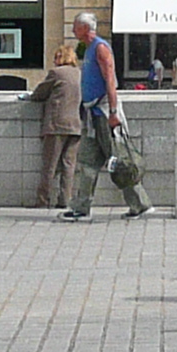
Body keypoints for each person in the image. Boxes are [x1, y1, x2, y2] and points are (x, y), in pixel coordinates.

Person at [63, 13, 150, 220]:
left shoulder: (100, 48)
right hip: (93, 115)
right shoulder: (89, 49)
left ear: (85, 28)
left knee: (119, 160)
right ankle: (81, 207)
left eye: (76, 26)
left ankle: (140, 204)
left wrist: (113, 112)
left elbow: (110, 79)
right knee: (87, 161)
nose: (73, 30)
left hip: (103, 113)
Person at [34, 44, 84, 208]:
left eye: (56, 57)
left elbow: (39, 93)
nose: (54, 61)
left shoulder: (57, 73)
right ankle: (65, 201)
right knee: (69, 165)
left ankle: (43, 200)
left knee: (50, 164)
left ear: (61, 58)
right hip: (75, 124)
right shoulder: (79, 74)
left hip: (56, 124)